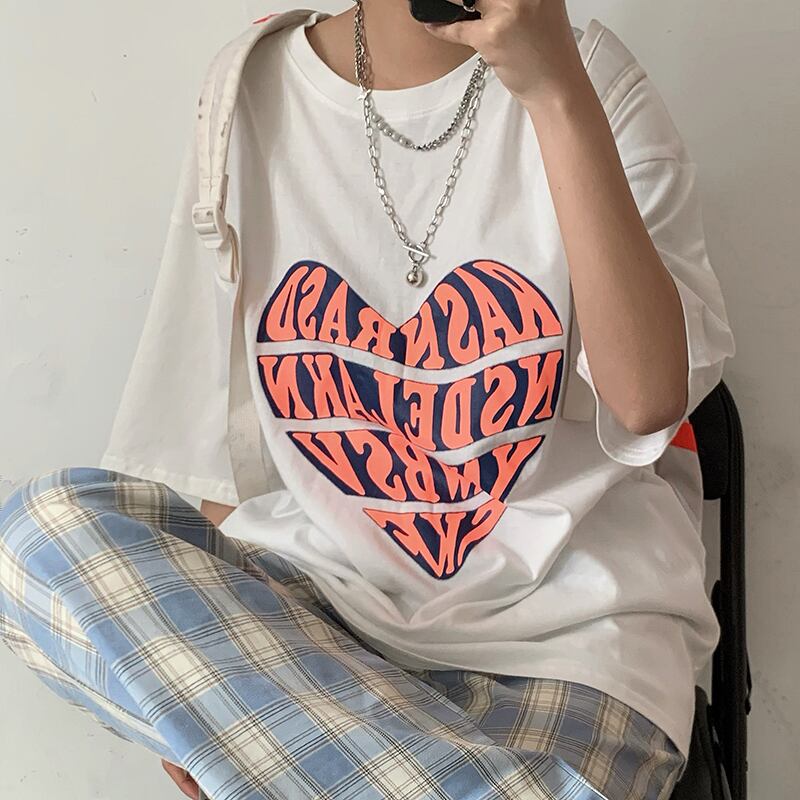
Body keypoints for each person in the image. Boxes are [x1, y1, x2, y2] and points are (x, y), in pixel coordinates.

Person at [0, 1, 736, 798]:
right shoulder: (249, 88)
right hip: (320, 629)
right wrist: (208, 698)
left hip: (570, 649)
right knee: (39, 536)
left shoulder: (595, 83)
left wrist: (556, 94)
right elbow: (212, 449)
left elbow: (647, 401)